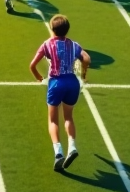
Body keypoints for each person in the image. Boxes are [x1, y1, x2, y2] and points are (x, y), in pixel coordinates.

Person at [29, 15, 90, 172]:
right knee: (68, 117)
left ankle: (58, 153)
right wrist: (83, 73)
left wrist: (38, 77)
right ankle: (72, 146)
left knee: (53, 120)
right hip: (72, 83)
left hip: (56, 83)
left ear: (52, 29)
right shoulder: (74, 45)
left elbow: (32, 65)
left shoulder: (47, 44)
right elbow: (86, 58)